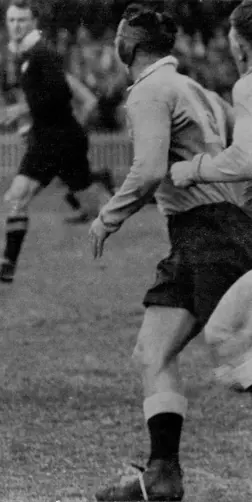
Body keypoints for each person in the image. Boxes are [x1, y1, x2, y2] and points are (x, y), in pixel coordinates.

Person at [89, 5, 252, 501]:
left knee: (239, 357)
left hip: (209, 238)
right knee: (152, 352)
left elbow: (150, 168)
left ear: (129, 46)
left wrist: (107, 216)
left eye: (119, 37)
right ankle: (162, 476)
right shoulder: (198, 89)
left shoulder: (148, 91)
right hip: (206, 234)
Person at [0, 0, 116, 284]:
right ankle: (7, 265)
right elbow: (47, 100)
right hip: (53, 139)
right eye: (12, 20)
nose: (16, 25)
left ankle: (144, 197)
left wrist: (21, 111)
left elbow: (59, 95)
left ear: (33, 23)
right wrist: (31, 123)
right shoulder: (28, 55)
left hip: (60, 140)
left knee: (82, 207)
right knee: (26, 198)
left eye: (22, 20)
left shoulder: (42, 53)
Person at [170, 0, 252, 394]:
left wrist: (194, 169)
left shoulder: (248, 85)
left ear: (241, 44)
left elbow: (244, 159)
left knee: (222, 333)